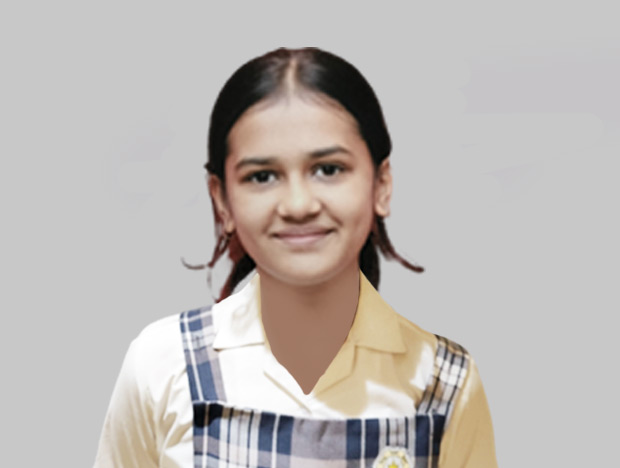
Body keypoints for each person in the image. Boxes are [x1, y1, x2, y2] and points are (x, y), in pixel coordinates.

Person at [94, 47, 498, 468]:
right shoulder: (162, 365)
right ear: (222, 200)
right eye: (262, 176)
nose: (298, 205)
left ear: (381, 184)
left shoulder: (444, 383)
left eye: (328, 169)